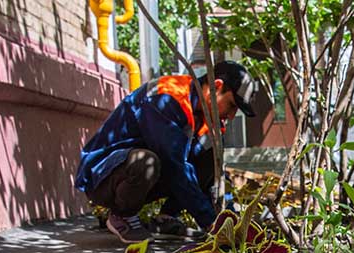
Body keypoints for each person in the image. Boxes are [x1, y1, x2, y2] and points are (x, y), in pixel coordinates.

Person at [75, 61, 257, 242]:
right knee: (146, 162)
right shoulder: (167, 98)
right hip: (103, 177)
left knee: (210, 157)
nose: (232, 116)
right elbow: (174, 166)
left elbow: (216, 176)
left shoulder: (207, 118)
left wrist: (231, 220)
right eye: (232, 105)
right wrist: (211, 223)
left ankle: (166, 218)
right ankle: (123, 216)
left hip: (145, 174)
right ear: (216, 87)